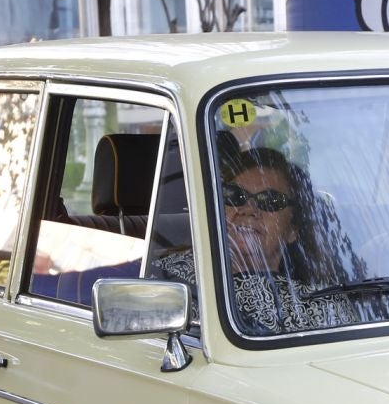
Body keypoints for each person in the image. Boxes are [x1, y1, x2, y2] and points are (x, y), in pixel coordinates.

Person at [152, 144, 377, 336]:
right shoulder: (166, 280)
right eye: (234, 195)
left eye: (270, 201)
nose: (248, 209)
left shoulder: (325, 305)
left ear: (293, 229)